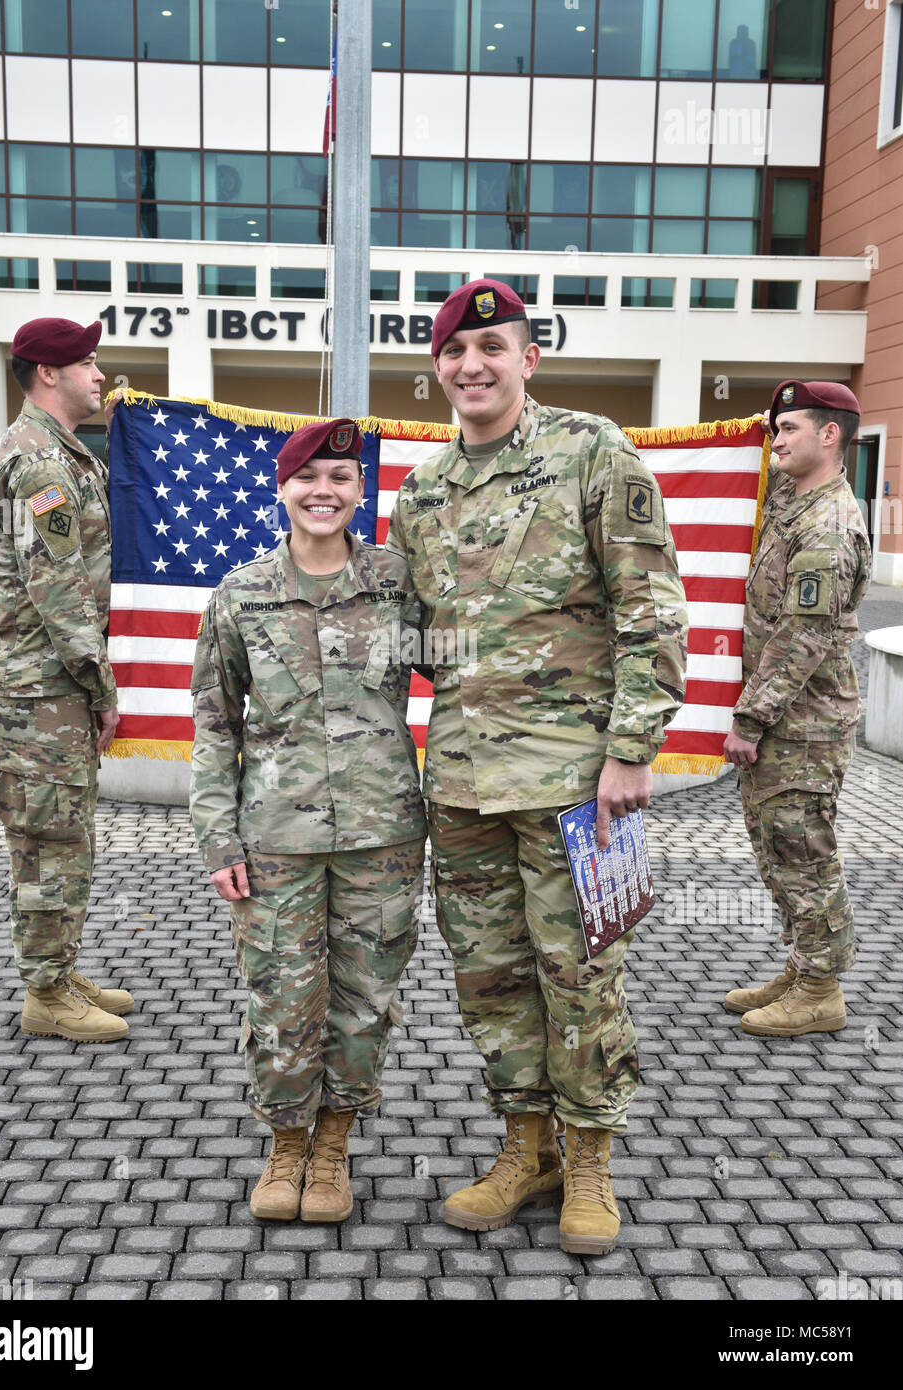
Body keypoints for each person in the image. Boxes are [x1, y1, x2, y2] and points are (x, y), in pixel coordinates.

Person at [385, 280, 688, 1255]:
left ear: (529, 359)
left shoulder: (593, 451)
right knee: (490, 978)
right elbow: (413, 639)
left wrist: (632, 750)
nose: (471, 365)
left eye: (491, 347)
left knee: (584, 974)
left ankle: (590, 1159)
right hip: (461, 782)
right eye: (454, 351)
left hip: (577, 785)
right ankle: (528, 1149)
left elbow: (651, 608)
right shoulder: (420, 492)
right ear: (436, 369)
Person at [189, 418, 427, 1224]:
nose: (323, 491)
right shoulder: (240, 593)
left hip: (381, 837)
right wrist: (217, 837)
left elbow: (468, 669)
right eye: (308, 478)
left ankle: (332, 1146)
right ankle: (285, 1142)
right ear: (282, 489)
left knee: (363, 1004)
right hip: (275, 840)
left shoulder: (397, 583)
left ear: (360, 492)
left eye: (340, 479)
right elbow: (214, 723)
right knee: (282, 1004)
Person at [0, 316, 131, 1043]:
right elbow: (59, 589)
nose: (99, 375)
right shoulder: (40, 463)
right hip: (40, 686)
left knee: (63, 831)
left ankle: (58, 970)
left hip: (46, 682)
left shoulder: (56, 450)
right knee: (47, 837)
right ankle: (44, 992)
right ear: (48, 373)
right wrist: (101, 689)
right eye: (87, 362)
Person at [723, 381, 871, 1036]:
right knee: (776, 846)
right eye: (775, 430)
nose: (776, 440)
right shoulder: (797, 500)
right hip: (789, 718)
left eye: (789, 429)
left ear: (829, 435)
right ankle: (803, 964)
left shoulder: (827, 528)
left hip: (802, 723)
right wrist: (758, 436)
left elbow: (800, 637)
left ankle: (820, 990)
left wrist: (750, 718)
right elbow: (778, 476)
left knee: (803, 851)